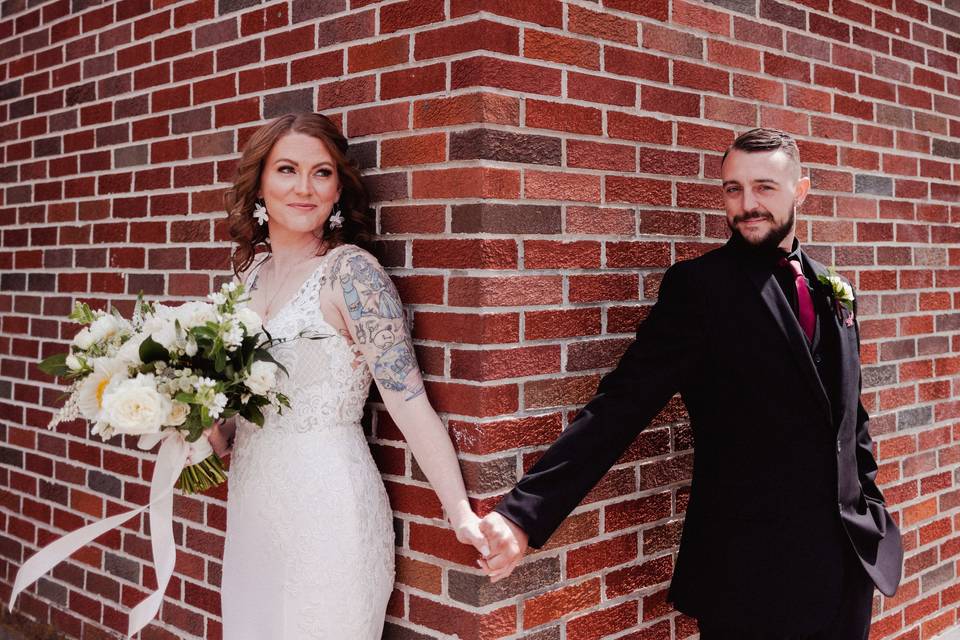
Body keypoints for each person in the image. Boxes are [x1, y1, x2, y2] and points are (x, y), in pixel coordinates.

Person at [478, 128, 903, 639]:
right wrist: (524, 514)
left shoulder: (834, 288)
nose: (748, 204)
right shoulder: (700, 289)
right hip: (749, 577)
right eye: (733, 189)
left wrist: (872, 508)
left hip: (846, 569)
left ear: (801, 191)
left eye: (765, 187)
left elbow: (850, 421)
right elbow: (621, 406)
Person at [206, 112, 488, 638]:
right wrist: (202, 423)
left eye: (322, 173)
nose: (305, 188)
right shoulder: (244, 277)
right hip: (254, 504)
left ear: (339, 189)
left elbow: (407, 401)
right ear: (260, 183)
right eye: (288, 169)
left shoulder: (351, 273)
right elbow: (240, 417)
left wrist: (459, 510)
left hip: (327, 501)